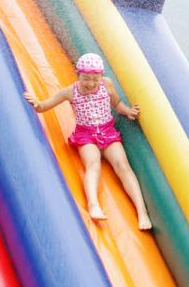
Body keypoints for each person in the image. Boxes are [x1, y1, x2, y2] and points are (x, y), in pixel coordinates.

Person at [24, 53, 152, 230]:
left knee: (123, 165)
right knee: (93, 165)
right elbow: (44, 106)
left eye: (95, 79)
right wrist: (37, 104)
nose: (91, 83)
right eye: (86, 78)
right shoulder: (70, 91)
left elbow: (116, 104)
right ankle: (93, 205)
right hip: (86, 135)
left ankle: (142, 212)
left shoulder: (107, 84)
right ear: (78, 75)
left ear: (101, 76)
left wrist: (128, 111)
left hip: (107, 132)